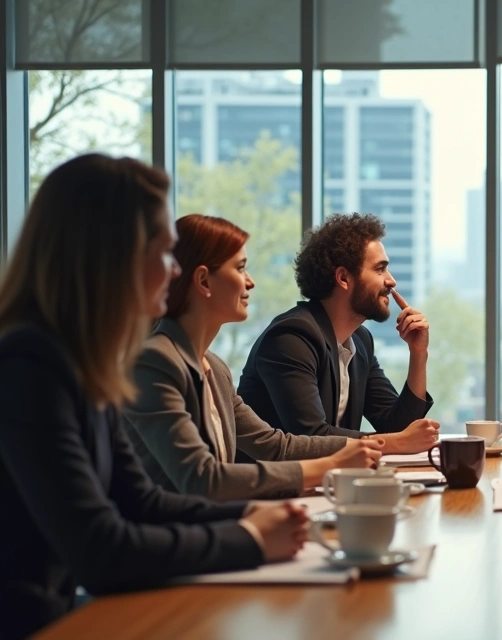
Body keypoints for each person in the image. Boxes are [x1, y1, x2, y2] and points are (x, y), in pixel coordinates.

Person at [0, 155, 308, 639]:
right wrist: (250, 538)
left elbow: (140, 501)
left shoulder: (82, 361)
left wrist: (250, 512)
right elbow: (100, 550)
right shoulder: (29, 367)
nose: (174, 270)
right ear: (114, 256)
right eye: (165, 253)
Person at [124, 214, 384, 502]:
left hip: (214, 520)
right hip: (177, 528)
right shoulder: (155, 362)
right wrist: (333, 464)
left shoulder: (216, 369)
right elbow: (203, 479)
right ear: (203, 281)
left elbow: (275, 446)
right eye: (240, 268)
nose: (250, 282)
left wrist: (359, 449)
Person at [237, 213, 439, 454]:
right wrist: (397, 442)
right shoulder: (290, 338)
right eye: (380, 269)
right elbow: (311, 436)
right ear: (343, 278)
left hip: (331, 477)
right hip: (274, 479)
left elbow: (399, 429)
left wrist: (418, 353)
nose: (391, 281)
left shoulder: (360, 341)